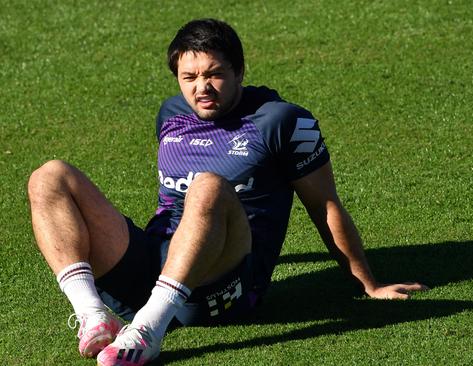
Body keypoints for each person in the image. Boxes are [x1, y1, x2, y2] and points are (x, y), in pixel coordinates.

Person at [27, 18, 428, 366]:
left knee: (208, 186)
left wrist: (368, 284)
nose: (202, 87)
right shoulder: (171, 115)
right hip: (155, 269)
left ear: (239, 70)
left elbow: (324, 206)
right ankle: (94, 313)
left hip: (225, 287)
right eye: (190, 78)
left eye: (214, 74)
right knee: (49, 176)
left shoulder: (284, 122)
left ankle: (147, 330)